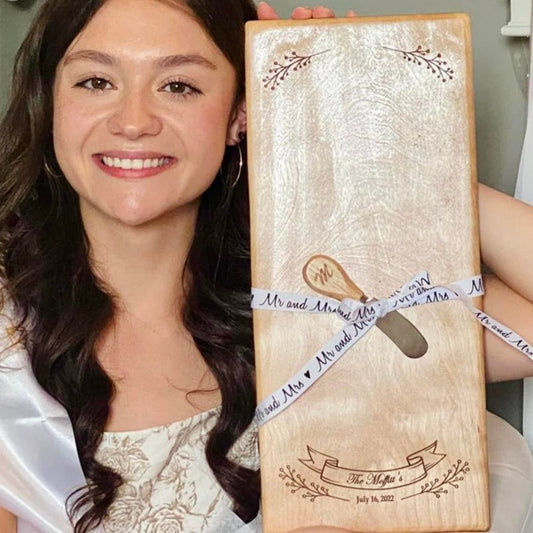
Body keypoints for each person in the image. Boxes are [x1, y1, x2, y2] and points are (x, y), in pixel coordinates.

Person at [0, 0, 532, 532]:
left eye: (179, 86)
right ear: (51, 103)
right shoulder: (9, 341)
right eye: (95, 82)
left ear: (241, 114)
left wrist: (382, 153)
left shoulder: (317, 306)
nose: (133, 122)